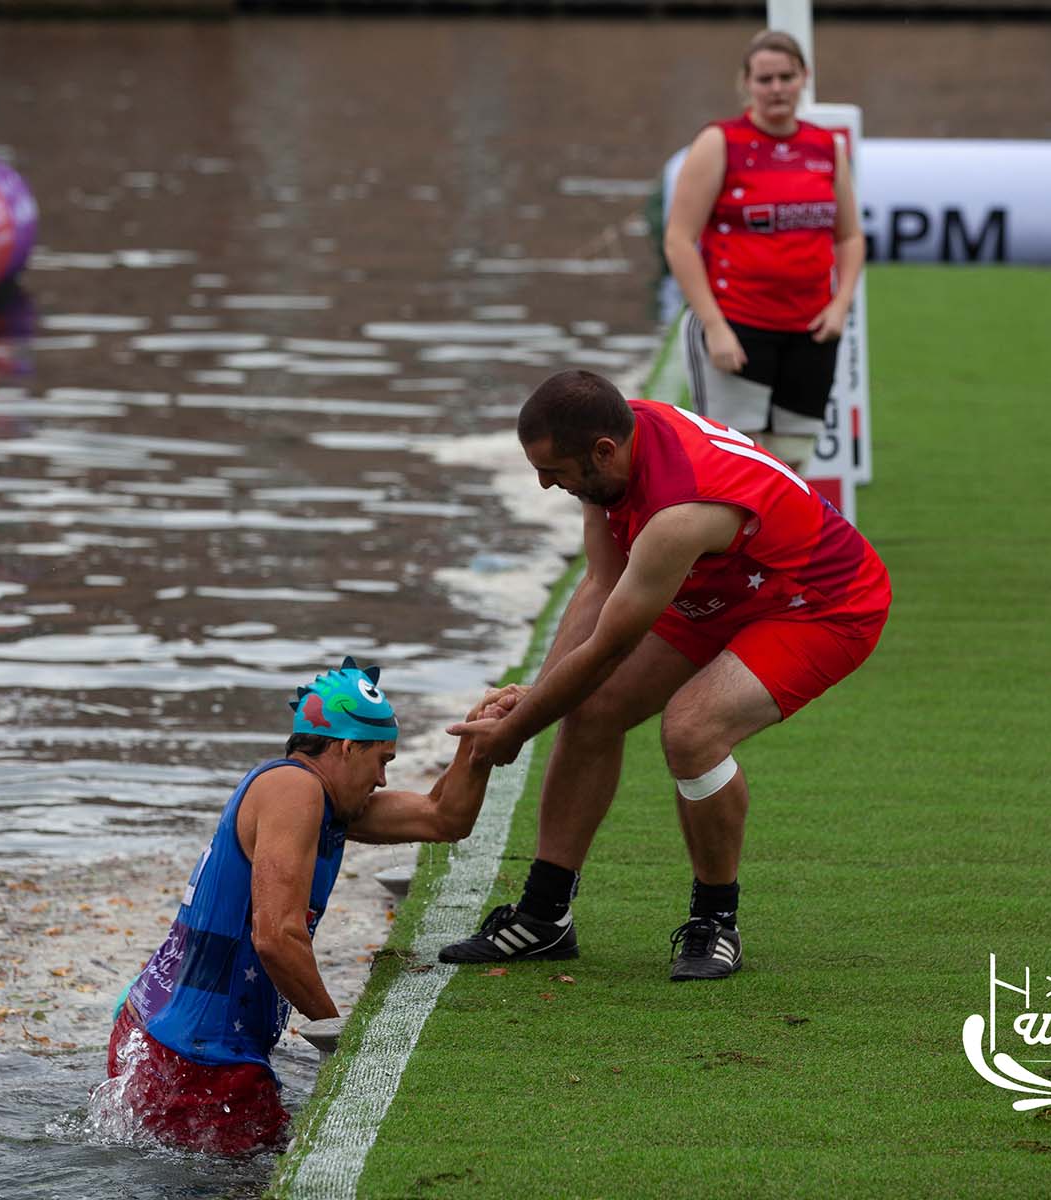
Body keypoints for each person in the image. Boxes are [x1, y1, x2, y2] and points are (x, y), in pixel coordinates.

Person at [438, 371, 889, 982]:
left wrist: (515, 731)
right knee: (591, 708)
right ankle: (544, 916)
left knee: (692, 730)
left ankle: (716, 921)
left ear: (603, 451)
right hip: (721, 583)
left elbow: (609, 647)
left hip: (820, 604)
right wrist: (538, 694)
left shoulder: (680, 512)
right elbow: (601, 583)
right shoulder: (609, 443)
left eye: (553, 471)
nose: (545, 484)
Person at [104, 658, 520, 1153]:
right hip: (200, 1059)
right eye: (382, 760)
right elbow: (276, 937)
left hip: (157, 1028)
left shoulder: (319, 801)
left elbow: (443, 818)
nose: (382, 780)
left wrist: (475, 743)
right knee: (250, 1180)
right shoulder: (294, 790)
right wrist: (341, 1035)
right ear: (347, 747)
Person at [663, 28, 865, 476]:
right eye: (765, 79)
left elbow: (850, 237)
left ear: (804, 78)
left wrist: (840, 306)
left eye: (786, 77)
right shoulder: (720, 142)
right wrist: (715, 326)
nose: (776, 89)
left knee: (792, 464)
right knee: (736, 467)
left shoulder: (825, 147)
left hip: (810, 331)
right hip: (738, 327)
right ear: (746, 83)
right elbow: (678, 239)